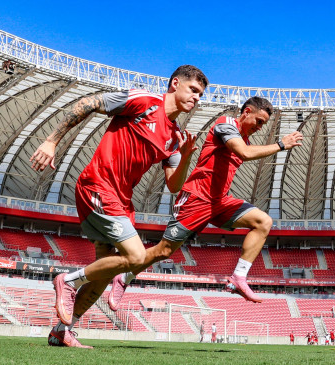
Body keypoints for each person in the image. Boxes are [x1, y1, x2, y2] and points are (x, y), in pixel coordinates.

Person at [29, 65, 207, 348]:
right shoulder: (145, 102)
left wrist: (185, 157)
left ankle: (62, 331)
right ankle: (67, 281)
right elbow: (88, 103)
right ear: (175, 83)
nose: (197, 98)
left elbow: (174, 185)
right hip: (98, 186)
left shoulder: (175, 137)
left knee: (103, 274)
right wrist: (52, 141)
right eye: (193, 90)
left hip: (122, 200)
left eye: (200, 94)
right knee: (136, 257)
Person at [105, 97, 303, 310]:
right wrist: (281, 144)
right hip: (196, 199)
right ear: (246, 112)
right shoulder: (226, 124)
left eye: (263, 124)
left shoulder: (243, 138)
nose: (259, 127)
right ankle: (123, 277)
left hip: (220, 201)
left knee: (263, 222)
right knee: (163, 251)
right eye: (259, 121)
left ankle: (239, 277)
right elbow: (243, 154)